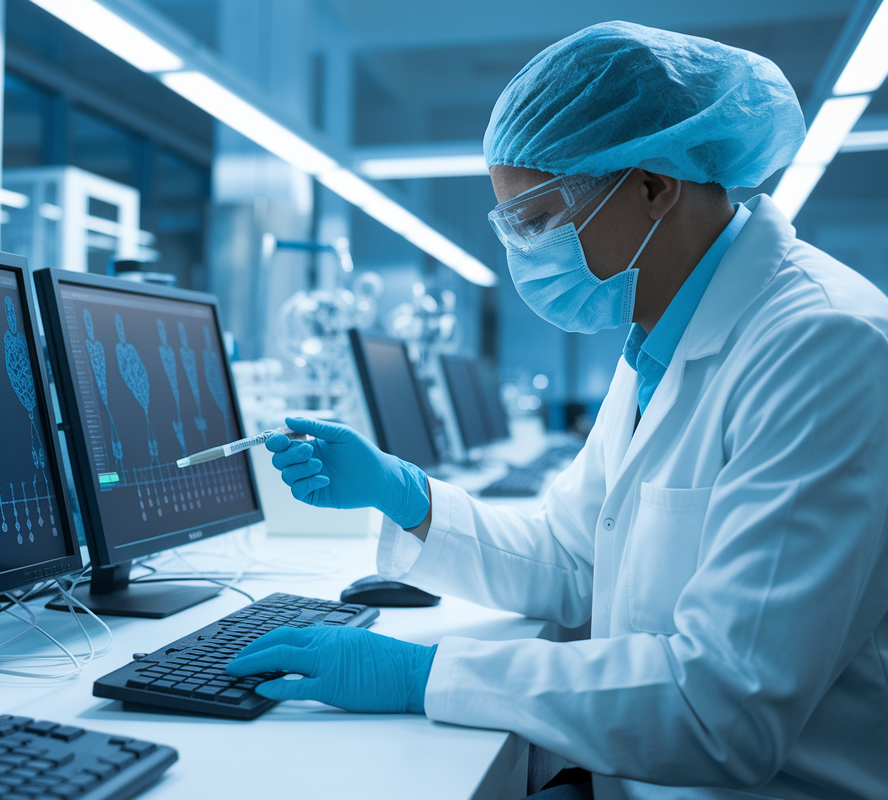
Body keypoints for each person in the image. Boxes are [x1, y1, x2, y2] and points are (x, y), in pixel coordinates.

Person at [225, 20, 888, 800]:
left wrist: (424, 671)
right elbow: (575, 562)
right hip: (637, 775)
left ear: (652, 187)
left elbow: (726, 706)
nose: (524, 254)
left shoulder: (823, 346)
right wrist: (404, 495)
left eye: (537, 220)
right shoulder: (660, 334)